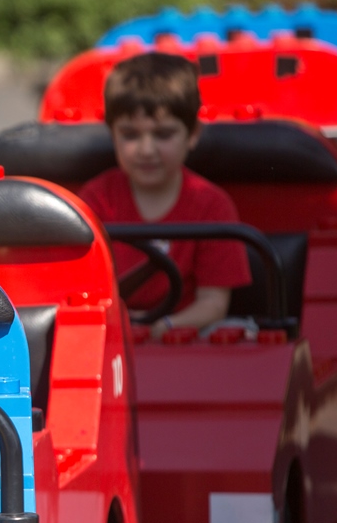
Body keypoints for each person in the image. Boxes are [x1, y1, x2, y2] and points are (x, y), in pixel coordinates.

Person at [79, 53, 251, 337]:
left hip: (185, 338)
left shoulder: (212, 206)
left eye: (163, 134)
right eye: (131, 135)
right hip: (111, 334)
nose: (147, 150)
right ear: (112, 135)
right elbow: (82, 291)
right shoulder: (95, 201)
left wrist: (163, 328)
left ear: (192, 134)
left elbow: (213, 303)